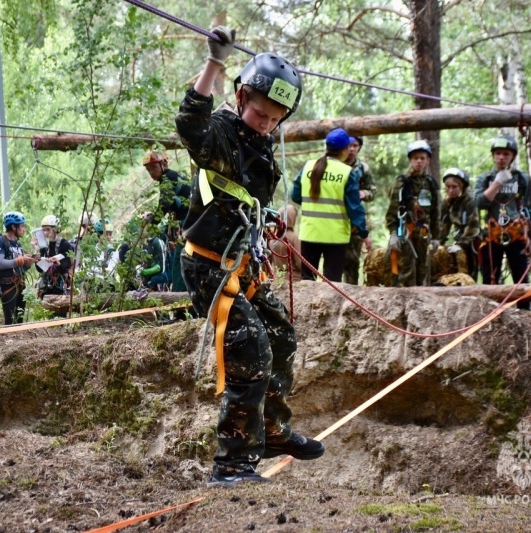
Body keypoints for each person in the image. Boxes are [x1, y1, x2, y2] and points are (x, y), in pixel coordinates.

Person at [175, 26, 324, 488]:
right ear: (241, 96)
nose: (266, 123)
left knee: (279, 336)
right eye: (260, 113)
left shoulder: (259, 140)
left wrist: (268, 217)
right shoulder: (221, 129)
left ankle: (274, 431)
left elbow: (241, 192)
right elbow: (189, 125)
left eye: (276, 118)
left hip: (242, 262)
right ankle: (232, 462)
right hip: (209, 266)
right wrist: (215, 63)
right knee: (249, 349)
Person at [293, 128, 372, 282]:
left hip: (310, 233)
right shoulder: (347, 172)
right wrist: (364, 234)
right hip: (335, 237)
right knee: (331, 285)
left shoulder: (308, 166)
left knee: (307, 282)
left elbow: (295, 195)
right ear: (345, 150)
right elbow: (354, 208)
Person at [474, 135, 531, 310]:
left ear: (512, 156)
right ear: (493, 156)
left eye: (506, 154)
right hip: (492, 235)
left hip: (517, 234)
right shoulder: (485, 178)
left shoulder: (522, 179)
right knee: (490, 277)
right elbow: (478, 202)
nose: (501, 157)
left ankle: (525, 315)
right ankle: (490, 313)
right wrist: (497, 183)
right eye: (498, 154)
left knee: (521, 277)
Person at [385, 140, 441, 287]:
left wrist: (436, 237)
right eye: (415, 158)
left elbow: (435, 212)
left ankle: (421, 306)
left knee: (423, 271)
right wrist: (393, 233)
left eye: (422, 158)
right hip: (405, 233)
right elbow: (393, 208)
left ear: (428, 160)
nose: (419, 162)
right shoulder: (402, 181)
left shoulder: (430, 183)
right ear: (410, 160)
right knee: (407, 273)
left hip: (423, 234)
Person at [144, 150, 192, 293]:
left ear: (163, 164)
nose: (151, 172)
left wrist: (152, 224)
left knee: (178, 263)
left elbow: (164, 204)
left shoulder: (168, 178)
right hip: (191, 223)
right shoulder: (175, 176)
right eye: (148, 170)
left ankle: (180, 306)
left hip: (187, 226)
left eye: (153, 167)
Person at [0, 211, 39, 324]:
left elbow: (21, 268)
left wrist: (29, 262)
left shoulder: (18, 244)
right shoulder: (0, 241)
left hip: (20, 284)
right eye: (22, 226)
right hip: (8, 286)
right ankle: (9, 340)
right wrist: (20, 260)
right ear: (13, 227)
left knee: (20, 319)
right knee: (10, 320)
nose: (24, 229)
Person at [343, 136, 377, 285]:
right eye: (349, 145)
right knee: (334, 262)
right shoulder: (335, 165)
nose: (352, 149)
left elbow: (373, 191)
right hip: (334, 219)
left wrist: (364, 193)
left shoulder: (363, 168)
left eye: (355, 146)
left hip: (355, 222)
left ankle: (351, 294)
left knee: (352, 261)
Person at [438, 168, 480, 280]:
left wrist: (461, 244)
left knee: (469, 271)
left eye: (454, 187)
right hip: (459, 239)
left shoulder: (470, 201)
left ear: (461, 186)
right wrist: (438, 242)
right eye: (448, 187)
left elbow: (473, 227)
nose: (450, 190)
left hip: (472, 242)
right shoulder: (446, 203)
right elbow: (443, 225)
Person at [34, 215, 74, 298]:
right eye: (43, 230)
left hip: (61, 285)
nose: (45, 233)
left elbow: (65, 270)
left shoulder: (65, 245)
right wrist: (35, 251)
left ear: (55, 229)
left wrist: (58, 264)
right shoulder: (44, 246)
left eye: (48, 229)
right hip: (47, 285)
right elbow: (40, 269)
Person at [269, 204, 302, 282]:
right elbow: (300, 264)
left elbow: (267, 264)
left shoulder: (272, 240)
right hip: (294, 279)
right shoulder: (294, 238)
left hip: (277, 279)